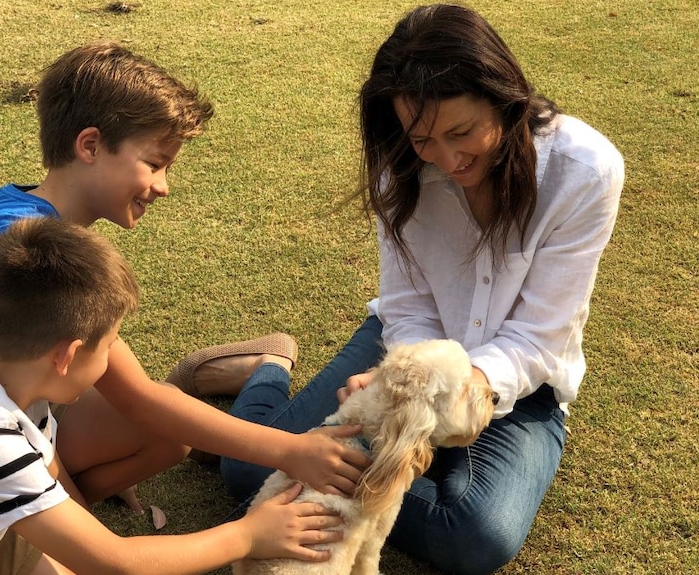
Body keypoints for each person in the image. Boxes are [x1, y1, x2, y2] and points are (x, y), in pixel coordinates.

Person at [0, 42, 368, 569]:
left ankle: (56, 506)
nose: (164, 186)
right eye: (154, 163)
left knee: (166, 432)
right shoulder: (19, 248)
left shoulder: (38, 226)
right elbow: (122, 406)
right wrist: (287, 455)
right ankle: (49, 511)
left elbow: (137, 401)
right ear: (90, 145)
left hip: (0, 411)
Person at [220, 4, 624, 574]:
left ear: (505, 97)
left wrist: (453, 395)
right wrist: (396, 389)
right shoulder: (401, 168)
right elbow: (407, 307)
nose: (448, 158)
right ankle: (265, 367)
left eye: (461, 132)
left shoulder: (585, 170)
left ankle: (389, 467)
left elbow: (539, 336)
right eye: (424, 139)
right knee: (244, 468)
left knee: (477, 536)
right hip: (407, 359)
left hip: (515, 382)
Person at [0, 216, 346, 575]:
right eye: (108, 346)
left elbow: (45, 466)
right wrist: (249, 535)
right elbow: (116, 562)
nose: (111, 359)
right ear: (67, 356)